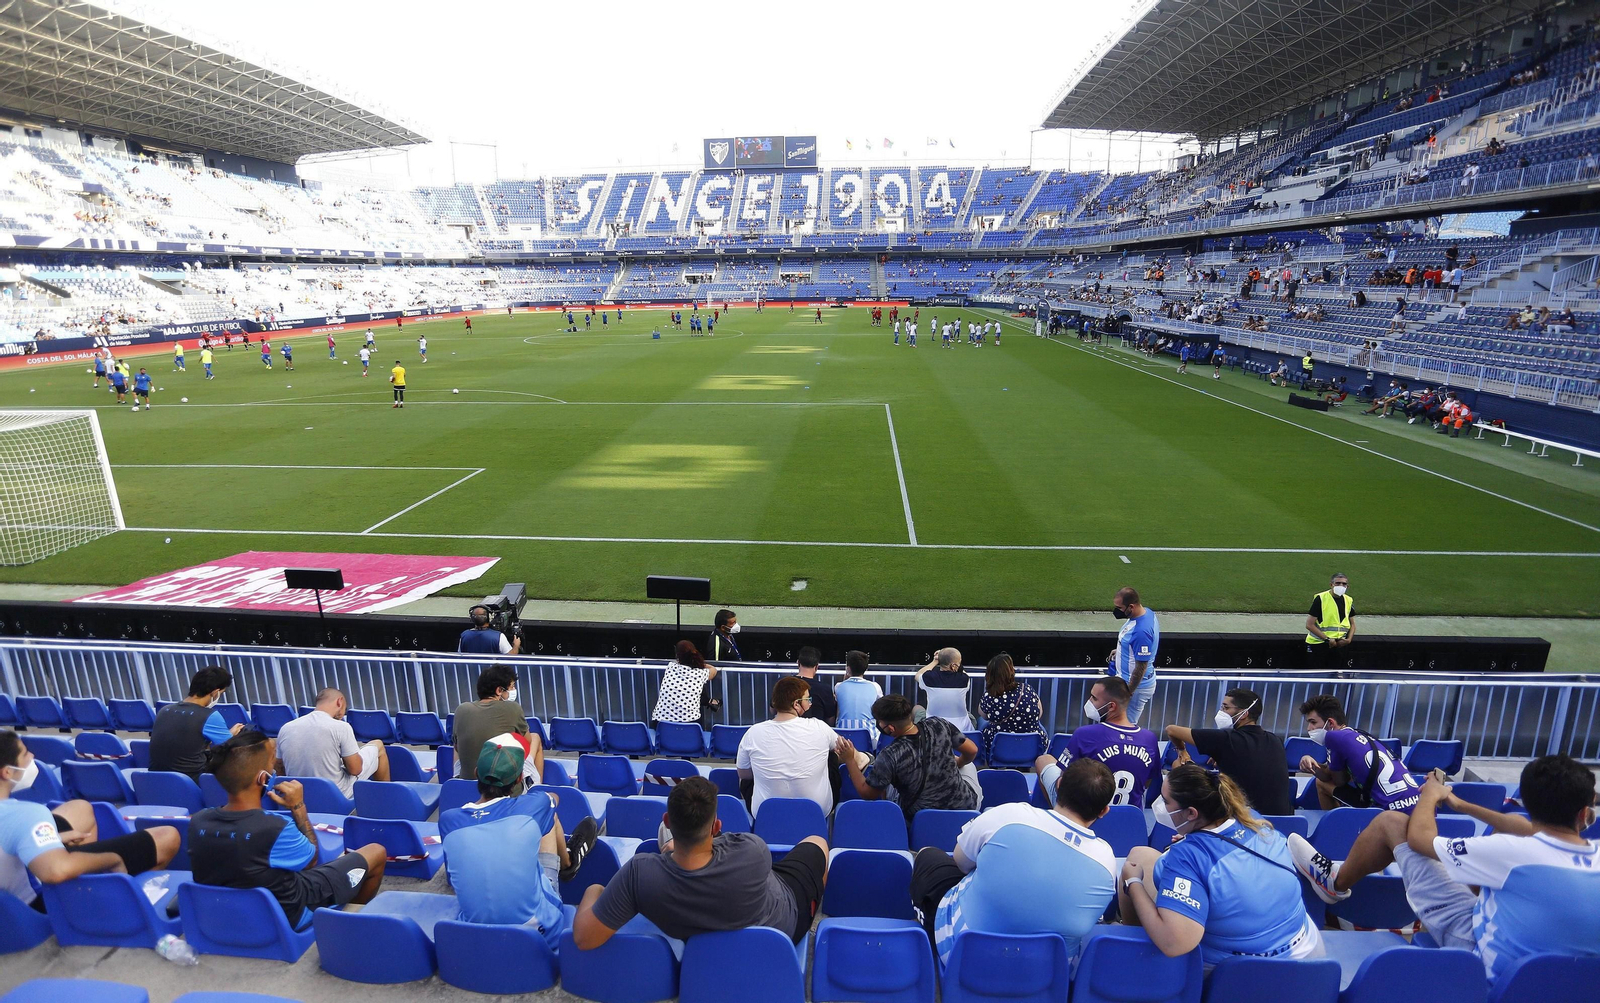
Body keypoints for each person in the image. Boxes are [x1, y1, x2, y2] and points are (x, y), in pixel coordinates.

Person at [1293, 756, 1599, 979]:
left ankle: (1334, 882)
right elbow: (1523, 829)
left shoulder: (1511, 853)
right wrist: (1460, 805)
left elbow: (1420, 838)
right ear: (1585, 813)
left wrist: (1430, 796)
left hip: (1486, 967)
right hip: (1559, 982)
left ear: (1527, 803)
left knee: (1393, 822)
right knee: (1498, 852)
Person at [572, 776, 829, 948]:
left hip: (705, 939)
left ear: (667, 821)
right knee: (818, 842)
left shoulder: (639, 875)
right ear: (716, 826)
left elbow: (584, 939)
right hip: (785, 925)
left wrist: (594, 889)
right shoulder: (752, 851)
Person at [911, 759, 1118, 966]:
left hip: (964, 958)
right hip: (1047, 975)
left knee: (928, 856)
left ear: (1058, 784)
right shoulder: (1107, 861)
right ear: (1104, 811)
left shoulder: (1009, 815)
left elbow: (960, 860)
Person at [1119, 763, 1322, 967]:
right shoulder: (1251, 818)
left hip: (1236, 976)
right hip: (1307, 956)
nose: (1160, 806)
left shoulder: (1185, 857)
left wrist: (1133, 882)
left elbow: (1175, 944)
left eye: (1165, 801)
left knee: (1139, 858)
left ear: (1191, 813)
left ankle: (1135, 956)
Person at [188, 729, 386, 930]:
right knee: (376, 852)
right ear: (263, 779)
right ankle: (350, 925)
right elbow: (311, 860)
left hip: (223, 915)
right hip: (285, 915)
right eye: (272, 763)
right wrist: (298, 807)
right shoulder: (276, 828)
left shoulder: (198, 821)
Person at [441, 733, 597, 949]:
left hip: (474, 932)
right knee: (547, 817)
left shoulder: (448, 821)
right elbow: (553, 798)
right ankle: (569, 861)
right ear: (519, 778)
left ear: (477, 773)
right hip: (540, 933)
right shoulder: (534, 806)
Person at [1, 731, 181, 912]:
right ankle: (115, 906)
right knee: (167, 836)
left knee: (80, 808)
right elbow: (56, 870)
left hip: (17, 872)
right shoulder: (27, 814)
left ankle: (92, 884)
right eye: (24, 753)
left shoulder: (20, 816)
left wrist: (52, 838)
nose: (32, 756)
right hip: (34, 905)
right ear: (7, 772)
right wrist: (111, 859)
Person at [838, 694, 980, 822]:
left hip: (921, 817)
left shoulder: (889, 755)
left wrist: (850, 760)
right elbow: (972, 750)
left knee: (888, 782)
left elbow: (868, 794)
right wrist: (958, 763)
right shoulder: (938, 724)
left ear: (890, 729)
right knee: (969, 765)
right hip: (964, 806)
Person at [737, 677, 857, 816]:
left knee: (747, 774)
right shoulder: (819, 727)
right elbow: (842, 747)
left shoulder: (753, 733)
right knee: (830, 755)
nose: (810, 704)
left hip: (766, 813)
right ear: (796, 704)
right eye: (808, 699)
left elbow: (743, 774)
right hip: (816, 812)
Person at [1165, 688, 1293, 816]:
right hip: (1283, 822)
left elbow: (1171, 730)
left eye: (1226, 708)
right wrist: (1220, 755)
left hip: (1244, 822)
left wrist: (1182, 751)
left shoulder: (1226, 739)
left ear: (1243, 714)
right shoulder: (1276, 740)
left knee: (1178, 766)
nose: (1221, 712)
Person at [1036, 675, 1160, 808]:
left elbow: (1064, 780)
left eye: (1094, 698)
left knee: (1044, 760)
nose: (1089, 701)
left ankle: (1059, 814)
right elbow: (1148, 781)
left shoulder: (1085, 734)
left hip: (1085, 814)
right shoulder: (1149, 739)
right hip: (1130, 814)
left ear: (1111, 706)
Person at [1295, 694, 1417, 812]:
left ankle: (1334, 830)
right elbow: (1333, 774)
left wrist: (1317, 768)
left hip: (1389, 808)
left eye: (1313, 722)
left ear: (1331, 723)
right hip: (1415, 803)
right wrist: (1313, 766)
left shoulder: (1334, 737)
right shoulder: (1357, 734)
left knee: (1321, 783)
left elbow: (1338, 781)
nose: (1309, 728)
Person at [274, 687, 391, 797]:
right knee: (378, 745)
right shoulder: (341, 727)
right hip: (336, 795)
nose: (343, 714)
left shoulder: (286, 728)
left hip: (298, 794)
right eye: (345, 709)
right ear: (340, 702)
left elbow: (279, 767)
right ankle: (385, 798)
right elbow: (355, 770)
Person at [149, 665, 245, 781]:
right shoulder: (209, 715)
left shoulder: (164, 710)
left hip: (156, 779)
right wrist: (231, 735)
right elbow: (230, 748)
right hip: (191, 780)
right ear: (215, 693)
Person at [452, 664, 540, 783]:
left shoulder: (461, 709)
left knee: (457, 743)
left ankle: (458, 782)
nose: (513, 691)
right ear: (499, 690)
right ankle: (536, 789)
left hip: (467, 783)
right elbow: (527, 743)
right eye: (512, 687)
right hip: (505, 788)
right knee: (535, 738)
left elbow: (457, 747)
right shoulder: (512, 708)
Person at [978, 653, 1044, 762]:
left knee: (981, 721)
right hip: (1030, 748)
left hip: (999, 749)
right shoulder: (1027, 689)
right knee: (1038, 724)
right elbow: (1040, 713)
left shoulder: (990, 695)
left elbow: (983, 714)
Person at [1109, 587, 1159, 724]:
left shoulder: (1141, 632)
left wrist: (1128, 692)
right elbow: (1133, 645)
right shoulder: (1146, 613)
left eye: (1119, 607)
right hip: (1125, 682)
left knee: (1124, 725)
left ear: (1131, 606)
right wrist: (1120, 651)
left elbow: (1141, 668)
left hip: (1135, 688)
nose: (1117, 611)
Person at [652, 640, 719, 727]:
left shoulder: (670, 667)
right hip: (690, 724)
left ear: (677, 655)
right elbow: (713, 670)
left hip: (661, 724)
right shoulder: (700, 674)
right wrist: (699, 662)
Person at [1304, 573, 1354, 669]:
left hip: (1339, 644)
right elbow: (1309, 625)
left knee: (1336, 674)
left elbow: (1352, 623)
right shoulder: (1321, 598)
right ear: (1331, 585)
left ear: (1347, 586)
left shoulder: (1349, 600)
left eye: (1344, 584)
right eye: (1338, 583)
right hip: (1319, 644)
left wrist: (1348, 640)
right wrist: (1327, 639)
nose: (1341, 586)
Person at [916, 647, 973, 730]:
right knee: (970, 715)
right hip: (962, 731)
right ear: (954, 665)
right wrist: (956, 665)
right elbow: (964, 673)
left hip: (933, 730)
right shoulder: (964, 679)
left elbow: (918, 674)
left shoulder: (928, 677)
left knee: (917, 708)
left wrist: (935, 661)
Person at [834, 650, 883, 740]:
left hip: (843, 738)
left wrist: (845, 680)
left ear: (848, 669)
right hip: (868, 738)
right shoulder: (875, 687)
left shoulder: (838, 686)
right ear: (865, 669)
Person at [793, 646, 836, 726]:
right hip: (816, 734)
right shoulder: (825, 689)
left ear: (798, 663)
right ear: (816, 667)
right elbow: (831, 720)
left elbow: (773, 710)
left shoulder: (783, 684)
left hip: (788, 732)